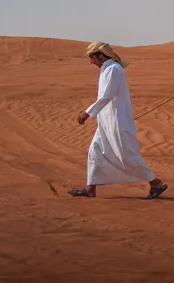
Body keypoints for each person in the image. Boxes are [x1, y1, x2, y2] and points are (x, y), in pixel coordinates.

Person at [68, 42, 168, 199]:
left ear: (100, 55)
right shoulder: (106, 69)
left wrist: (87, 113)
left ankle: (155, 183)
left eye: (92, 57)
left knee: (126, 154)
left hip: (117, 121)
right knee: (95, 150)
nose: (91, 62)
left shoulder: (114, 69)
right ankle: (90, 189)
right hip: (105, 122)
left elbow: (106, 96)